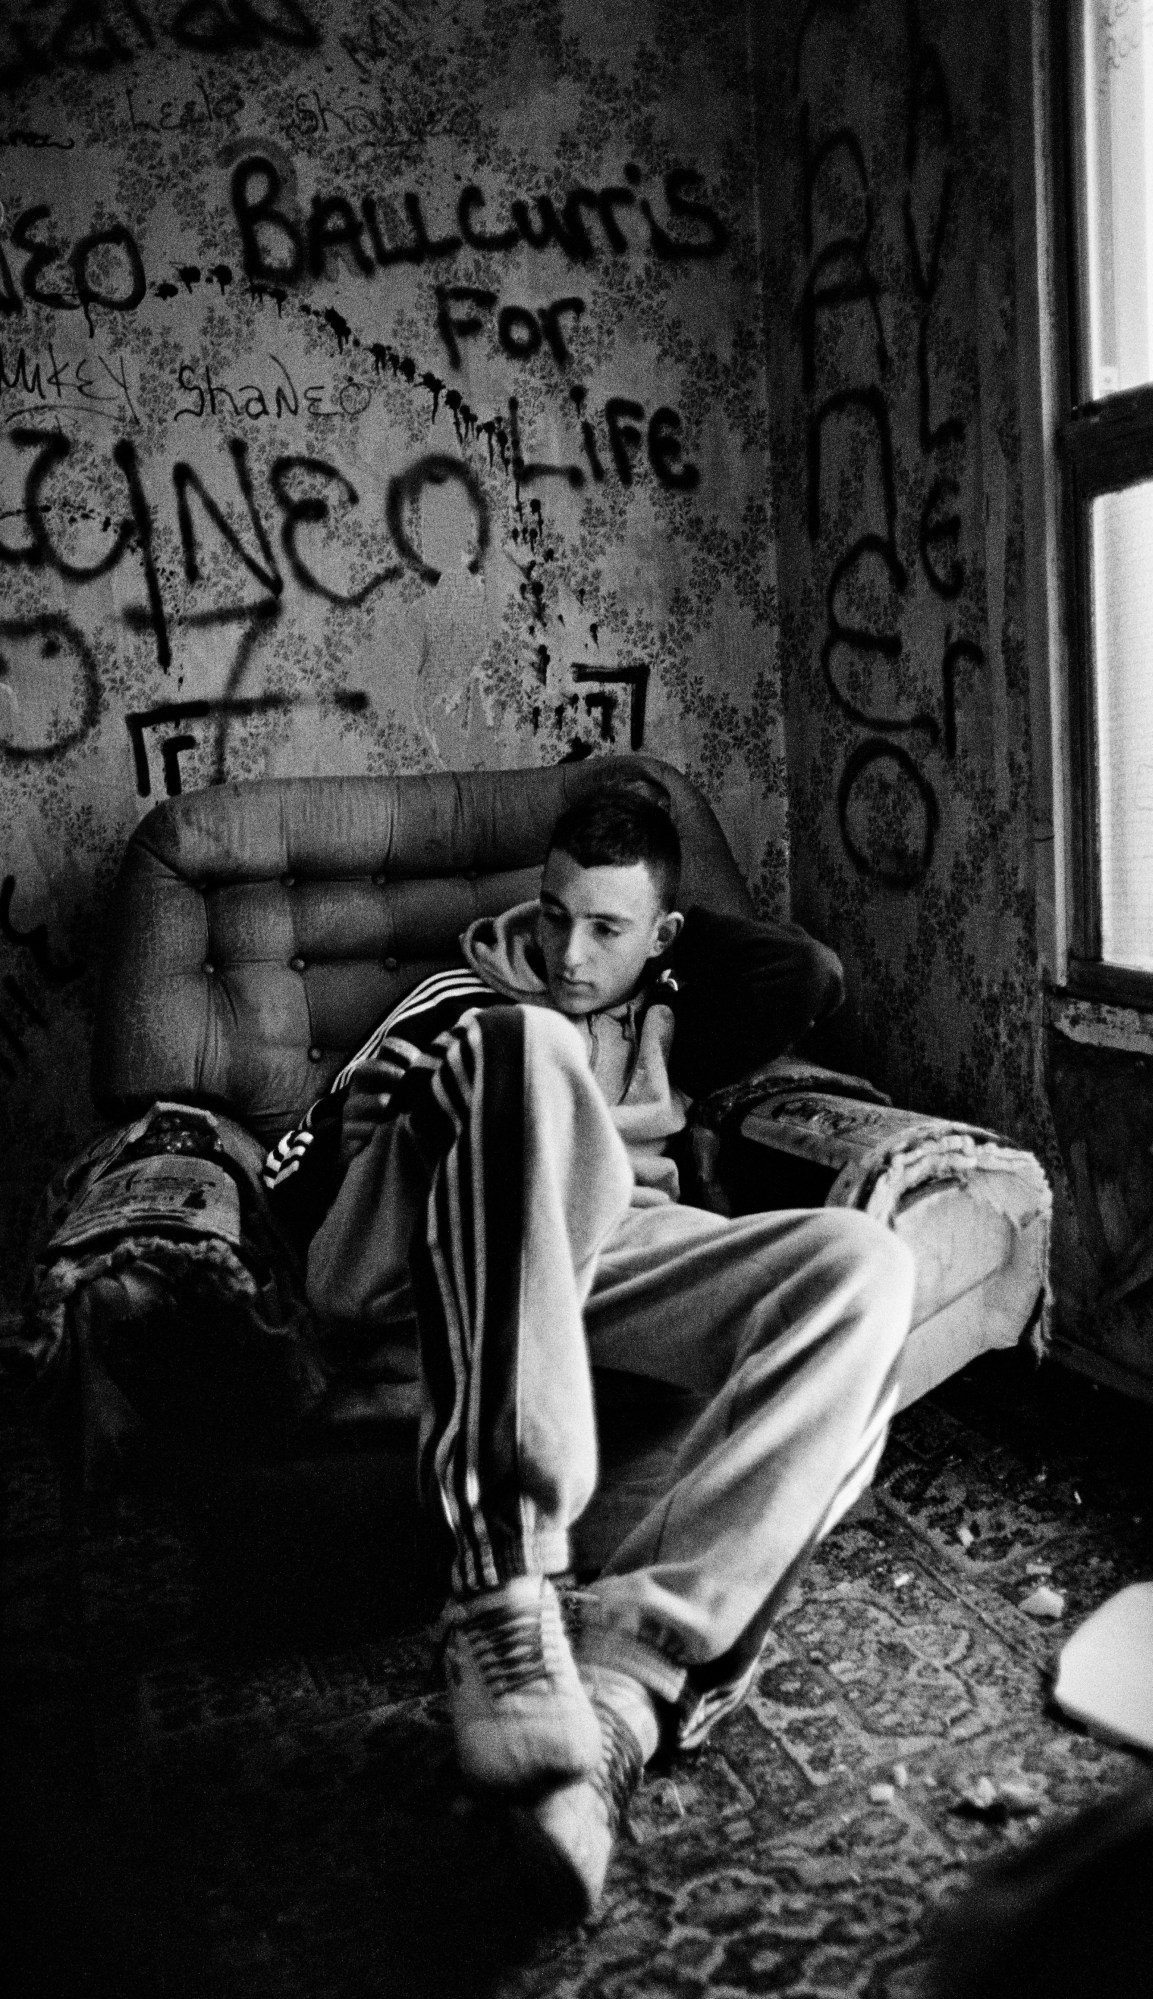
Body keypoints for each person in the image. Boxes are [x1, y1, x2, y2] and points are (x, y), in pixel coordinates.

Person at [262, 782, 916, 1919]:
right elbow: (293, 1179)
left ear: (661, 936)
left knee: (866, 1264)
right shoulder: (459, 992)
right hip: (418, 1240)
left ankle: (626, 1680)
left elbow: (805, 974)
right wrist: (363, 1120)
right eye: (555, 913)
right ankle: (501, 1582)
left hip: (600, 1245)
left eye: (605, 927)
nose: (570, 951)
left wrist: (658, 954)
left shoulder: (665, 1007)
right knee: (520, 1047)